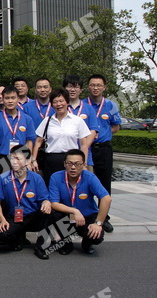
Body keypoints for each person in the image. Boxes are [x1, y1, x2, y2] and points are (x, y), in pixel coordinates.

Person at [48, 149, 111, 255]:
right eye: (70, 163)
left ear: (83, 165)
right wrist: (74, 211)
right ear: (64, 164)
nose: (73, 167)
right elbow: (54, 203)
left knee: (97, 236)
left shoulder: (90, 177)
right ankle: (66, 244)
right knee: (54, 215)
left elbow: (106, 198)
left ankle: (86, 244)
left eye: (77, 164)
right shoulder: (56, 177)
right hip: (68, 216)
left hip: (87, 217)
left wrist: (98, 223)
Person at [0, 145, 51, 260]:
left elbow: (44, 198)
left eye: (18, 159)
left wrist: (46, 202)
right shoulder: (3, 178)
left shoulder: (37, 178)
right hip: (13, 217)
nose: (14, 162)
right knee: (2, 235)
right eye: (12, 158)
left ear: (28, 161)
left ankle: (41, 247)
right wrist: (2, 220)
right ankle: (18, 238)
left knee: (48, 213)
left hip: (32, 216)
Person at [33, 88, 91, 185]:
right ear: (52, 104)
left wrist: (84, 164)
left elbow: (83, 145)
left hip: (71, 161)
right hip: (50, 161)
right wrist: (33, 160)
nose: (59, 104)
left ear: (67, 102)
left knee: (70, 187)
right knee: (51, 187)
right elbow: (38, 142)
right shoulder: (47, 121)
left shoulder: (77, 121)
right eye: (55, 102)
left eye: (61, 101)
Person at [85, 74, 121, 233]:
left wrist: (103, 133)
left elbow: (116, 126)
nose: (95, 88)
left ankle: (104, 218)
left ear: (104, 87)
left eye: (99, 85)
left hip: (104, 149)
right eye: (92, 85)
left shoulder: (111, 105)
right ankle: (88, 215)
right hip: (87, 148)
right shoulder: (82, 105)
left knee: (104, 183)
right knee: (85, 183)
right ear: (88, 87)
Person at [0, 86, 36, 167]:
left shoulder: (27, 119)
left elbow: (29, 141)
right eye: (7, 98)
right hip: (3, 158)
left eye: (13, 98)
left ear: (18, 99)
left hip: (21, 158)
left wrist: (28, 161)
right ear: (3, 99)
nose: (10, 101)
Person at [64, 75, 99, 172]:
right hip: (64, 155)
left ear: (81, 90)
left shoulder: (89, 108)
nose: (72, 90)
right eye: (69, 86)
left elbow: (93, 131)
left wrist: (82, 149)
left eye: (76, 87)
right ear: (64, 89)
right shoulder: (59, 107)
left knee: (86, 179)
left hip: (84, 155)